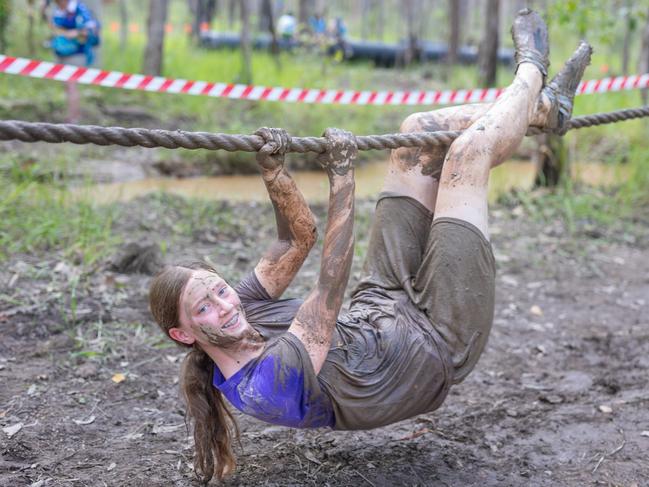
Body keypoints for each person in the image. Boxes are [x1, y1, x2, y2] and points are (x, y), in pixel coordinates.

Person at [149, 10, 592, 483]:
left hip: (382, 299)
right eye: (205, 307)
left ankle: (544, 111)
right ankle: (531, 68)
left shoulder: (239, 307)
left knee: (416, 130)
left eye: (218, 290)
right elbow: (327, 291)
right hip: (438, 344)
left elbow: (295, 240)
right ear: (183, 333)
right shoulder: (264, 386)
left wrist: (273, 173)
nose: (225, 303)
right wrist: (342, 175)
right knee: (467, 155)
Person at [43, 0, 101, 122]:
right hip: (61, 52)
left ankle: (73, 119)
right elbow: (52, 26)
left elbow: (90, 29)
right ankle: (70, 116)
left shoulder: (79, 8)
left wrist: (74, 33)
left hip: (76, 54)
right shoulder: (55, 9)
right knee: (67, 85)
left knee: (71, 85)